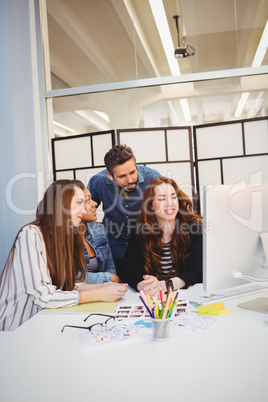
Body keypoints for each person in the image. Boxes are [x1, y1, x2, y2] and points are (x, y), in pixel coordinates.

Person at [0, 179, 128, 331]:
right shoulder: (30, 234)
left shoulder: (64, 237)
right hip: (15, 331)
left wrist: (103, 285)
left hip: (42, 325)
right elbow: (44, 297)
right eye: (79, 203)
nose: (83, 210)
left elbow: (66, 284)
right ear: (61, 204)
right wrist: (98, 293)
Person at [88, 144, 161, 281]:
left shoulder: (153, 178)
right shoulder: (98, 182)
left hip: (146, 251)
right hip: (114, 252)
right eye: (122, 176)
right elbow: (85, 211)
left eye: (133, 172)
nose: (130, 180)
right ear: (109, 175)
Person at [124, 177, 202, 296]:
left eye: (173, 197)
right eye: (162, 199)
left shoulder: (194, 228)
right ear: (150, 205)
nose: (170, 203)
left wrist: (166, 285)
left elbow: (197, 270)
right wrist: (143, 284)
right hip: (153, 298)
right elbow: (129, 271)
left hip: (187, 295)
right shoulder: (140, 232)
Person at [79, 187, 121, 284]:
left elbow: (109, 266)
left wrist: (111, 285)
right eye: (88, 200)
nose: (95, 203)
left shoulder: (98, 229)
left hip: (104, 293)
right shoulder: (60, 237)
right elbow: (69, 277)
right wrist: (109, 278)